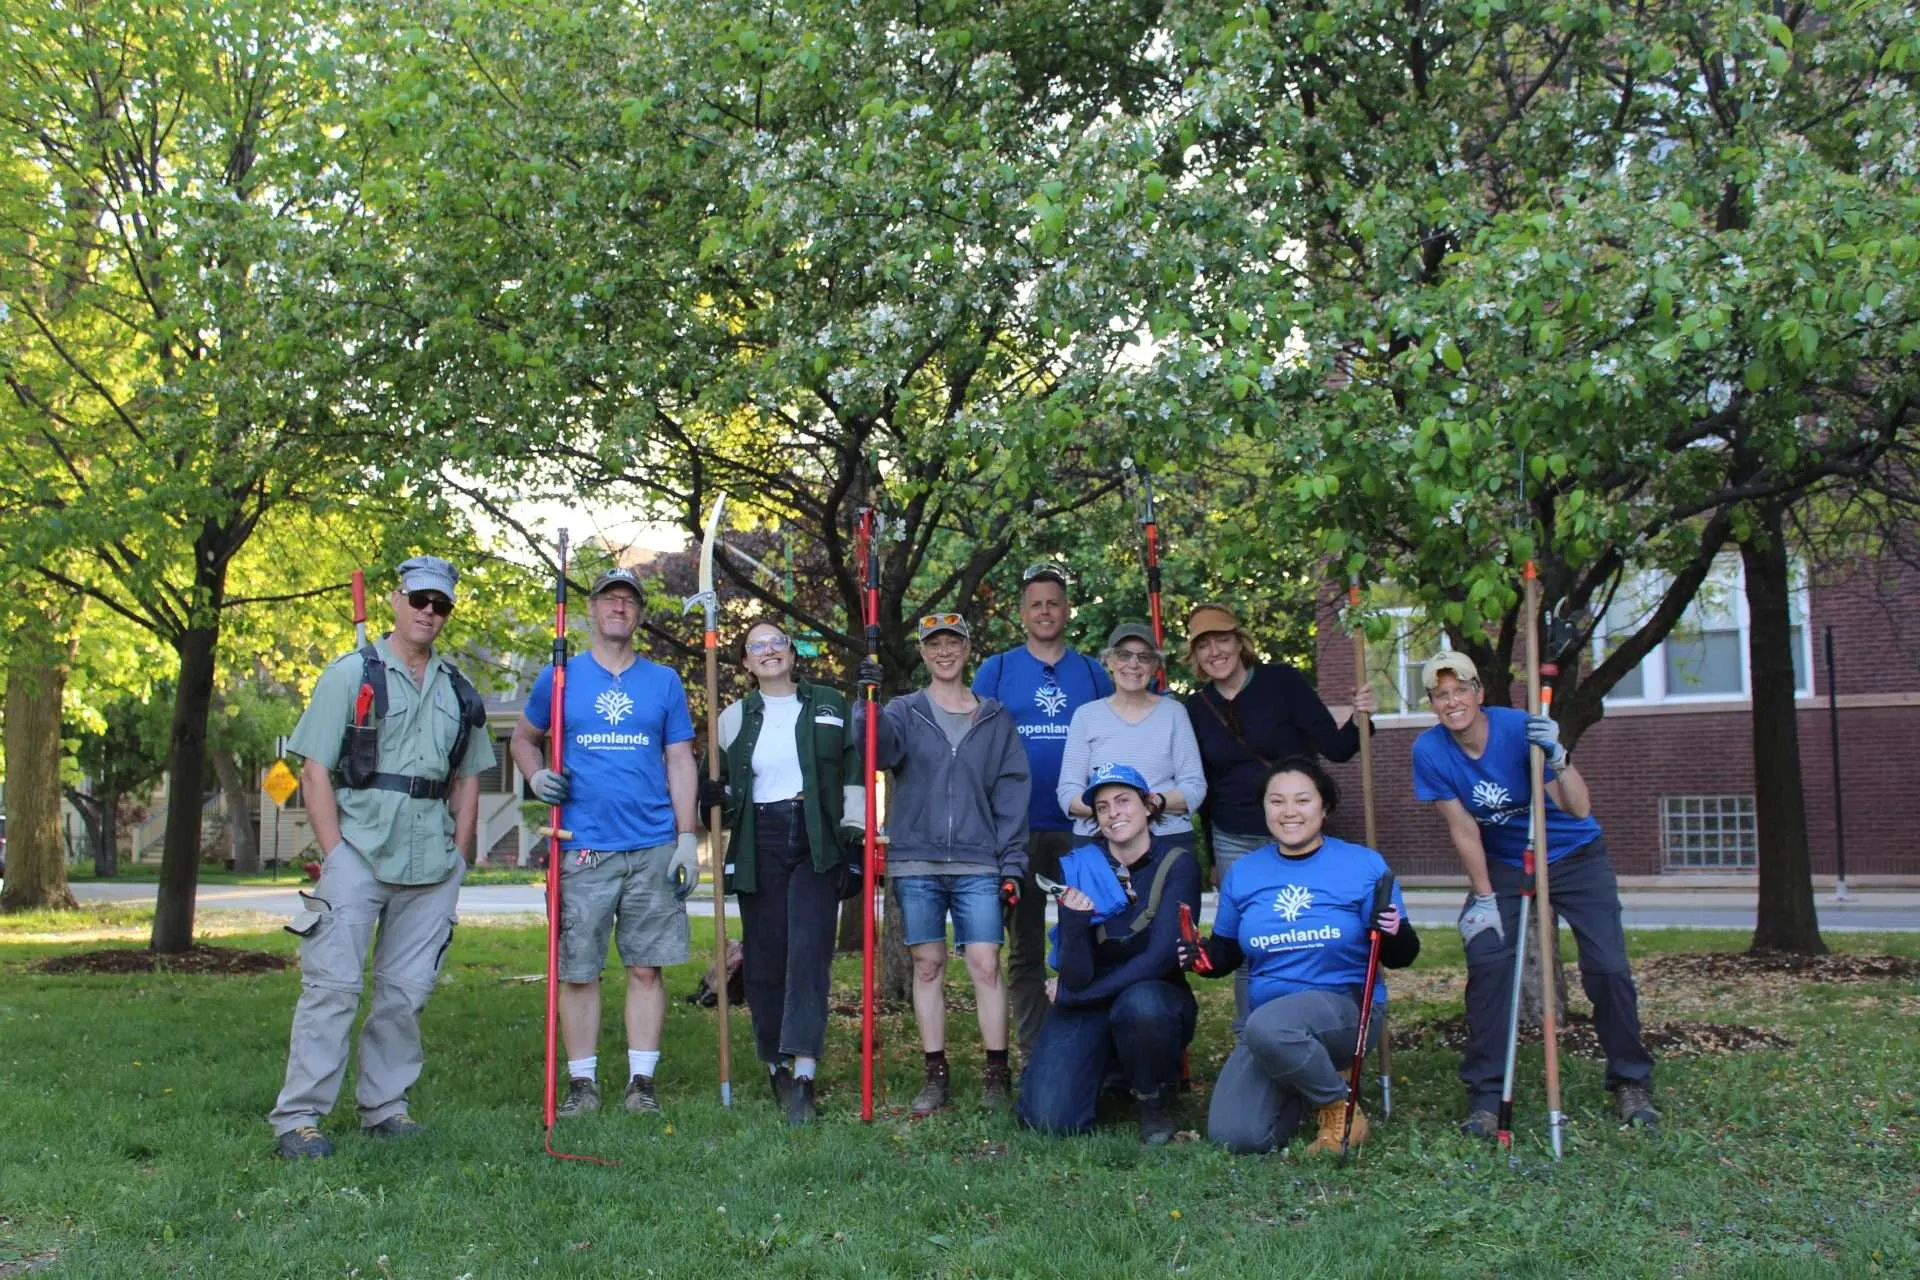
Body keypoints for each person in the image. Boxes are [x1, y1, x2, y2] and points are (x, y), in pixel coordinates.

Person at [269, 556, 494, 1159]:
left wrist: (461, 857)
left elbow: (469, 779)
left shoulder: (458, 689)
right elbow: (313, 769)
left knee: (405, 992)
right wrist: (336, 852)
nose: (428, 611)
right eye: (419, 599)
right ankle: (299, 1119)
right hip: (360, 853)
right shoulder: (351, 674)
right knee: (332, 988)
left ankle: (385, 1108)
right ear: (396, 600)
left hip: (431, 864)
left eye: (440, 604)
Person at [1412, 650, 1658, 1136]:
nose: (1452, 701)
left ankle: (1631, 1081)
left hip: (1574, 855)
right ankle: (1486, 1097)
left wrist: (1558, 758)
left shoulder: (1520, 728)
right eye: (1441, 695)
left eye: (1460, 690)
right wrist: (1484, 899)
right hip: (1505, 862)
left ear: (1479, 692)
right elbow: (1464, 830)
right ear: (1432, 704)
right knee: (1487, 961)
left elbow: (1580, 806)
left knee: (1607, 966)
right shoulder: (1430, 751)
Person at [509, 567, 700, 1119]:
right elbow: (525, 738)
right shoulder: (560, 677)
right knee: (579, 968)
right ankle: (582, 1084)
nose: (619, 607)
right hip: (582, 843)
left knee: (646, 967)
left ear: (639, 614)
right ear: (591, 610)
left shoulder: (662, 681)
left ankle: (641, 1081)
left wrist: (687, 838)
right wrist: (535, 775)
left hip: (652, 843)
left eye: (629, 601)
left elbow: (680, 758)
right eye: (609, 599)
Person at [1181, 757, 1418, 1155]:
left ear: (1323, 807)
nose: (1289, 811)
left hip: (1344, 1008)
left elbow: (1402, 955)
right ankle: (1311, 1082)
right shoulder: (1244, 872)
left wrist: (1393, 931)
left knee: (1269, 1026)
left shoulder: (1362, 865)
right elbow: (1225, 952)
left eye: (1302, 800)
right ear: (1265, 810)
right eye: (1277, 801)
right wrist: (1200, 957)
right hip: (1268, 1024)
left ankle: (1337, 1107)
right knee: (1237, 1136)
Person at [860, 612, 1031, 1115]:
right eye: (934, 643)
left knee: (985, 963)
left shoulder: (994, 718)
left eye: (953, 641)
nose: (944, 651)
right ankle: (936, 1074)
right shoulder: (903, 710)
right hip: (917, 860)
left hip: (980, 862)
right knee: (928, 965)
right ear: (922, 652)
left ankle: (997, 1075)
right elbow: (875, 753)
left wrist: (1012, 863)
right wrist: (865, 706)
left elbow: (1012, 795)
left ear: (967, 647)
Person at [1182, 602, 1375, 1021]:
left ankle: (1315, 1025)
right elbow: (1206, 789)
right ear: (1195, 657)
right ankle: (1251, 1037)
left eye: (1222, 640)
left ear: (1240, 642)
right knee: (1247, 941)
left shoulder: (1282, 682)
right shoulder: (1195, 710)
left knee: (1307, 932)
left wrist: (1362, 718)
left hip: (1295, 831)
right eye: (1204, 646)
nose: (1215, 652)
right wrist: (1213, 858)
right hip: (1234, 836)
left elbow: (1337, 749)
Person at [704, 619, 864, 1125]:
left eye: (777, 643)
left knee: (810, 951)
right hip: (760, 839)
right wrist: (713, 796)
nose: (769, 651)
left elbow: (855, 771)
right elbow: (726, 795)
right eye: (757, 647)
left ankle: (804, 1073)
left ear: (793, 654)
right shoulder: (731, 718)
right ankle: (774, 1060)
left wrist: (856, 836)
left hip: (816, 837)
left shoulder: (830, 705)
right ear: (747, 664)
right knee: (766, 955)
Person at [1015, 763, 1201, 1145]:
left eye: (1123, 800)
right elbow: (1077, 972)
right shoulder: (1083, 867)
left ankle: (1153, 1102)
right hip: (1091, 996)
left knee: (1142, 1006)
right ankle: (1110, 1073)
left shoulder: (1176, 863)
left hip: (1151, 994)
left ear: (1148, 806)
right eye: (1102, 807)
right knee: (1048, 1120)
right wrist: (1073, 920)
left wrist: (1072, 995)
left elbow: (1161, 958)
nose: (1114, 812)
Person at [972, 563, 1113, 1060]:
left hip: (1083, 827)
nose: (1046, 611)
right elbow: (976, 740)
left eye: (1054, 602)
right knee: (1026, 947)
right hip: (1018, 827)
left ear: (1068, 610)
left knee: (1088, 937)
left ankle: (1083, 1043)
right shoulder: (999, 670)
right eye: (1036, 604)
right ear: (1022, 613)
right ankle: (1035, 1049)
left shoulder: (1095, 673)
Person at [1056, 623, 1206, 854]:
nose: (1133, 664)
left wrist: (1153, 803)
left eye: (1144, 657)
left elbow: (1194, 786)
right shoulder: (1086, 716)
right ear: (1109, 661)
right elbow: (1068, 792)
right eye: (1124, 655)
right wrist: (1114, 814)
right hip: (1098, 843)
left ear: (1156, 665)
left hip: (1166, 842)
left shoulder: (1174, 713)